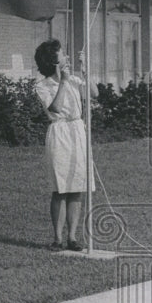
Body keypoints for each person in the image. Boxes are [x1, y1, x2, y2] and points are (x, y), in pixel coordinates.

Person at [33, 39, 98, 251]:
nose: (67, 57)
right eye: (63, 55)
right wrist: (62, 81)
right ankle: (57, 238)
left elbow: (95, 94)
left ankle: (72, 237)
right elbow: (55, 109)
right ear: (54, 61)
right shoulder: (42, 85)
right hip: (60, 133)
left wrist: (85, 71)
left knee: (77, 186)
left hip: (77, 130)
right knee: (60, 188)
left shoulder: (74, 80)